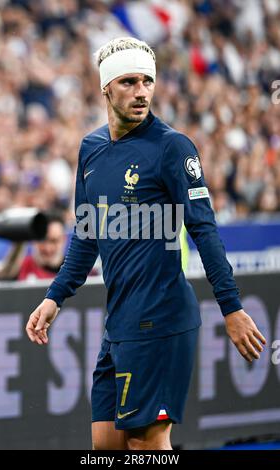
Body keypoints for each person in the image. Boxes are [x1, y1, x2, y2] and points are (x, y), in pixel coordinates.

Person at [26, 37, 266, 451]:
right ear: (105, 88)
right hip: (118, 325)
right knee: (106, 448)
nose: (142, 92)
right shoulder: (91, 149)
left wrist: (232, 307)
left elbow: (204, 230)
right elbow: (86, 236)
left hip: (162, 319)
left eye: (148, 81)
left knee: (146, 448)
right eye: (129, 82)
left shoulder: (172, 147)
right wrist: (54, 298)